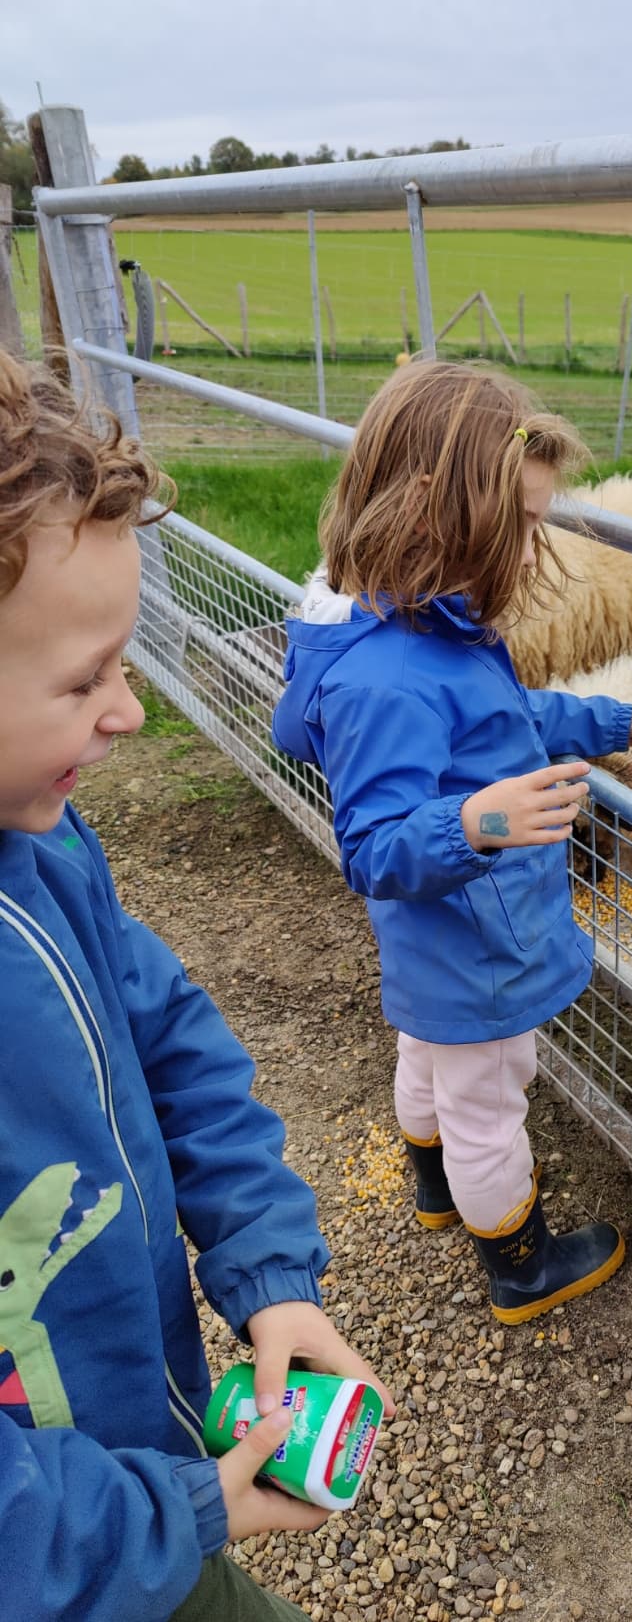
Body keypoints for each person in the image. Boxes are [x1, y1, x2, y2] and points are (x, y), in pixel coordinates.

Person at [0, 351, 393, 1622]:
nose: (130, 713)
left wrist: (269, 1270)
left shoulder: (46, 853)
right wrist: (180, 1517)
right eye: (84, 678)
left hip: (132, 1503)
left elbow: (170, 1038)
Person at [272, 360, 632, 1325]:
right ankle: (520, 1263)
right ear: (435, 513)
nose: (536, 545)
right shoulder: (390, 678)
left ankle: (435, 1189)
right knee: (492, 1094)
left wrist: (609, 719)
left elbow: (500, 719)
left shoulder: (416, 629)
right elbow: (371, 843)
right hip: (477, 933)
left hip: (441, 944)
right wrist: (475, 824)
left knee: (431, 1053)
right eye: (524, 523)